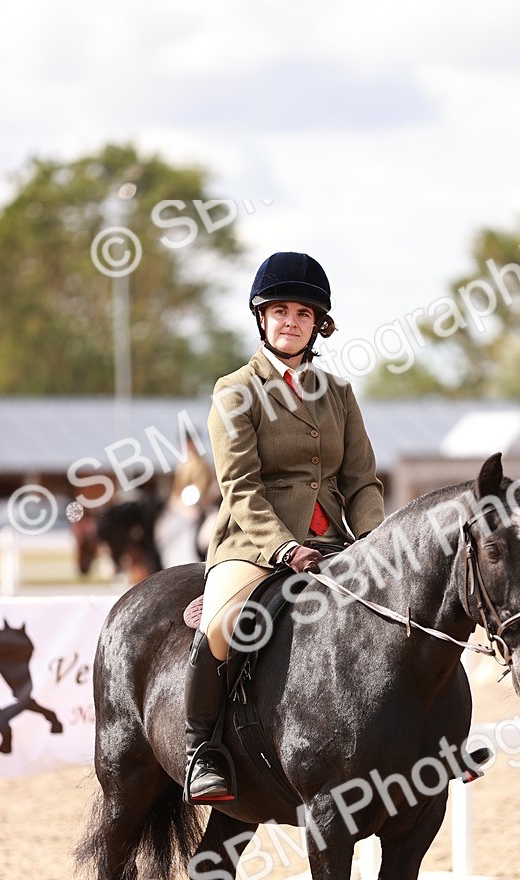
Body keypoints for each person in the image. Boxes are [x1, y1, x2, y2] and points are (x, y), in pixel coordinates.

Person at [184, 252, 386, 803]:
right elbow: (240, 485)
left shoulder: (339, 394)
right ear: (261, 318)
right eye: (280, 311)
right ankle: (201, 748)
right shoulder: (235, 392)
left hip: (334, 543)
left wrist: (375, 543)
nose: (291, 321)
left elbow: (362, 480)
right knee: (224, 624)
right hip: (254, 544)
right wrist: (285, 547)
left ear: (318, 322)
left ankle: (422, 737)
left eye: (303, 312)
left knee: (402, 609)